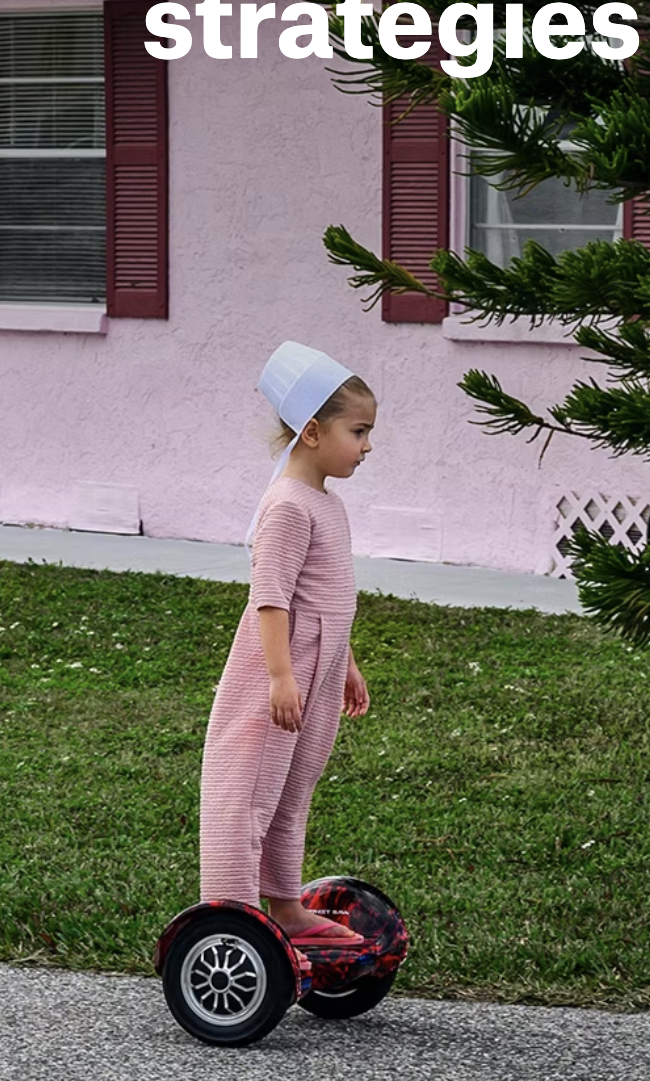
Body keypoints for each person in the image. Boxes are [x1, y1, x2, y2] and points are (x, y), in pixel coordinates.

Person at [196, 342, 375, 944]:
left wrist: (344, 663)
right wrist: (279, 675)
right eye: (359, 431)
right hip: (282, 672)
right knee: (246, 789)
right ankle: (231, 914)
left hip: (317, 673)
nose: (368, 446)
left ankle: (284, 905)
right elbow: (271, 598)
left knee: (292, 788)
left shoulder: (328, 504)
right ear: (314, 431)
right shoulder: (287, 507)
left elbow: (328, 598)